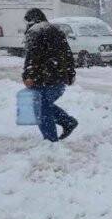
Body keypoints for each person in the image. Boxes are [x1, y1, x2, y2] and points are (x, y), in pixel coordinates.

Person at [21, 8, 78, 142]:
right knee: (42, 105)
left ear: (31, 20)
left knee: (41, 107)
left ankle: (51, 140)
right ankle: (67, 122)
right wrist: (70, 73)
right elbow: (67, 52)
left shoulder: (35, 31)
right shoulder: (56, 30)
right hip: (57, 75)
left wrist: (28, 75)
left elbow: (32, 57)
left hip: (43, 77)